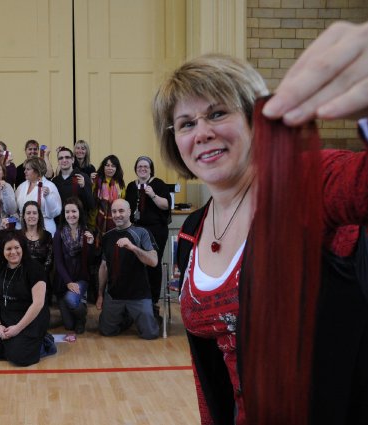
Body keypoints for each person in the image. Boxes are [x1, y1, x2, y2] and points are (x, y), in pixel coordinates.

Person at [152, 21, 368, 423]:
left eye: (217, 113)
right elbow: (212, 378)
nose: (202, 133)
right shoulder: (190, 233)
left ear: (255, 120)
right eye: (186, 123)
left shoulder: (305, 186)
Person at [0, 231, 55, 366]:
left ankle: (44, 342)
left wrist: (17, 328)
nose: (13, 252)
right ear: (2, 251)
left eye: (17, 247)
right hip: (5, 315)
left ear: (23, 248)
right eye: (8, 248)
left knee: (20, 357)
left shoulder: (35, 268)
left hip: (30, 317)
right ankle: (13, 345)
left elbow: (38, 303)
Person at [96, 199, 159, 340]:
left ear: (129, 212)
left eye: (121, 211)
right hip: (114, 294)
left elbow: (154, 261)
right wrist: (100, 294)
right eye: (114, 211)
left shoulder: (141, 232)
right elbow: (104, 266)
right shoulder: (107, 236)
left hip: (138, 294)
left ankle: (147, 311)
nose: (117, 215)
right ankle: (128, 316)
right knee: (106, 331)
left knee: (150, 334)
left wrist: (133, 247)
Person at [125, 156, 170, 323]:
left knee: (152, 264)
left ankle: (153, 302)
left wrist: (152, 195)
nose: (142, 169)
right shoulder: (131, 186)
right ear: (135, 168)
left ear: (151, 169)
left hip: (156, 230)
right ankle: (137, 301)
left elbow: (166, 205)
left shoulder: (158, 184)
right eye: (139, 166)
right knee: (135, 263)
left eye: (146, 166)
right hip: (136, 230)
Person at [53, 197, 94, 334]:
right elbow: (58, 261)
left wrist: (90, 245)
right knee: (69, 325)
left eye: (74, 211)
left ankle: (81, 318)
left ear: (80, 213)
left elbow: (90, 261)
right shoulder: (59, 233)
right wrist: (68, 282)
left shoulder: (87, 232)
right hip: (63, 280)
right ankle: (77, 305)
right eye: (67, 212)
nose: (70, 215)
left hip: (81, 278)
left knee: (71, 299)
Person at [15, 157, 61, 236]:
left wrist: (48, 197)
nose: (24, 171)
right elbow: (15, 207)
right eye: (25, 169)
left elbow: (55, 212)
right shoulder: (22, 186)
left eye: (28, 169)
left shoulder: (49, 186)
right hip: (22, 229)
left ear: (37, 171)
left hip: (44, 229)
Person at [51, 147, 94, 225]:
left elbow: (91, 205)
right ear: (58, 161)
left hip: (79, 224)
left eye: (67, 157)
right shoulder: (55, 181)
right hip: (60, 225)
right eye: (61, 158)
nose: (64, 160)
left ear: (73, 160)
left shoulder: (82, 177)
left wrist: (83, 187)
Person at [19, 201, 53, 287]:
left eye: (34, 213)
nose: (31, 216)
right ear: (23, 216)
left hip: (41, 280)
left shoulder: (47, 236)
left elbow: (49, 262)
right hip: (21, 279)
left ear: (39, 216)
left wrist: (37, 277)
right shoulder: (17, 236)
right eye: (28, 213)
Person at [90, 155, 126, 236]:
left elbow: (123, 203)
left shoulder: (120, 184)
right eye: (107, 165)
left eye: (113, 166)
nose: (110, 168)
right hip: (97, 222)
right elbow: (91, 201)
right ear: (103, 167)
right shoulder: (96, 181)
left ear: (117, 168)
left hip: (115, 222)